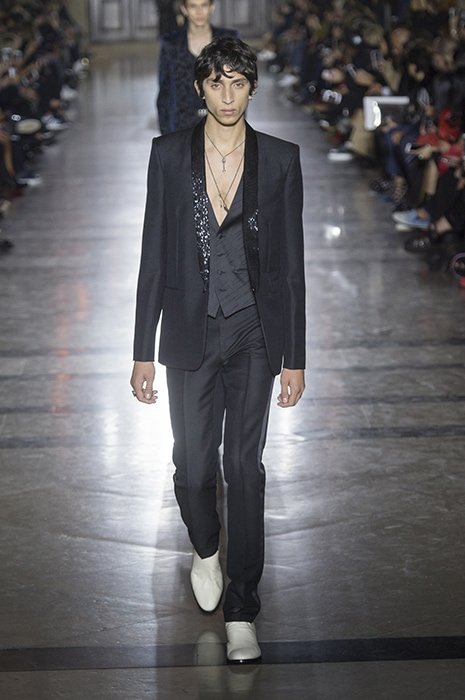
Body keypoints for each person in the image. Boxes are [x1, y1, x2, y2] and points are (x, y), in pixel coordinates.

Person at [131, 36, 306, 663]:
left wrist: (295, 356)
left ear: (252, 88)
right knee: (194, 467)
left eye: (238, 83)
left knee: (244, 469)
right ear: (199, 88)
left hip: (255, 333)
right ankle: (205, 546)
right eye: (216, 83)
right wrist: (141, 349)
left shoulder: (281, 160)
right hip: (190, 332)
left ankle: (242, 609)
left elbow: (291, 266)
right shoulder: (168, 155)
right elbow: (153, 254)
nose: (227, 96)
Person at [156, 0, 237, 134]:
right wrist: (166, 135)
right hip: (181, 126)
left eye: (204, 5)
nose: (199, 12)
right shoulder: (171, 44)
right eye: (193, 6)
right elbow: (164, 90)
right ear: (184, 9)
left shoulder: (228, 41)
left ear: (212, 7)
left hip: (220, 125)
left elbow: (238, 86)